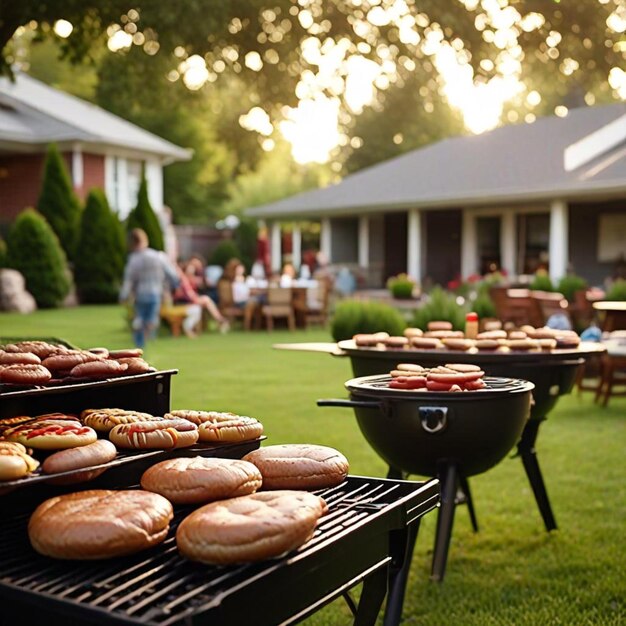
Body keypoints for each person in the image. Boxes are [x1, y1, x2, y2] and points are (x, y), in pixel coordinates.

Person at [119, 228, 179, 349]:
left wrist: (124, 295)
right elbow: (172, 274)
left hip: (140, 294)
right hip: (156, 293)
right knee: (151, 319)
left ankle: (140, 343)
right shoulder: (158, 256)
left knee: (140, 318)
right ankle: (147, 341)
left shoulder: (134, 259)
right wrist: (175, 286)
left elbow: (128, 280)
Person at [173, 263, 230, 336]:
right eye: (189, 273)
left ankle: (220, 320)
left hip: (190, 302)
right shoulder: (183, 281)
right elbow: (190, 296)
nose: (191, 275)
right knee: (205, 300)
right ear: (185, 272)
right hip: (183, 303)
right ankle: (220, 319)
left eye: (193, 273)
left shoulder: (192, 281)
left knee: (205, 301)